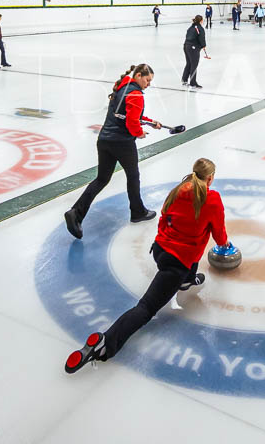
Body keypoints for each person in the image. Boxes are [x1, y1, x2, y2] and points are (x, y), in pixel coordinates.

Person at [65, 158, 228, 373]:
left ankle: (187, 280)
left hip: (160, 250)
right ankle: (105, 343)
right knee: (146, 308)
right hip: (175, 264)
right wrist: (225, 244)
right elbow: (218, 232)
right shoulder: (212, 199)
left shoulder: (178, 190)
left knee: (191, 248)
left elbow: (164, 218)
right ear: (211, 178)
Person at [64, 64, 163, 239]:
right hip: (122, 143)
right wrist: (139, 133)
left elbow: (127, 114)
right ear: (138, 76)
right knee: (133, 176)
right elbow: (132, 122)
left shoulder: (121, 88)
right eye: (147, 80)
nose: (148, 84)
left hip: (104, 141)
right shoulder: (136, 94)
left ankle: (75, 212)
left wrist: (150, 122)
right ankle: (138, 212)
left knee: (102, 179)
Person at [182, 15, 206, 89]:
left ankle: (184, 79)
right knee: (194, 65)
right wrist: (203, 45)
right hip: (193, 48)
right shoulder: (199, 28)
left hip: (186, 46)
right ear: (201, 21)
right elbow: (201, 38)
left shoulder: (191, 27)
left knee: (189, 63)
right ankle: (193, 83)